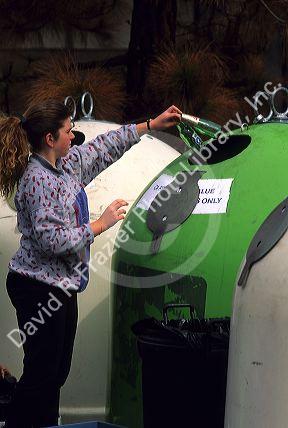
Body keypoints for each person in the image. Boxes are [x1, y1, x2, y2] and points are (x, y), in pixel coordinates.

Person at [0, 100, 182, 428]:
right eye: (68, 131)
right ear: (50, 139)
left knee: (56, 372)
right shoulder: (37, 180)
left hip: (60, 285)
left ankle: (45, 424)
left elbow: (103, 148)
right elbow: (51, 240)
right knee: (41, 373)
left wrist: (151, 124)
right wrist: (101, 223)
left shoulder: (68, 165)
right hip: (36, 287)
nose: (75, 135)